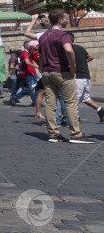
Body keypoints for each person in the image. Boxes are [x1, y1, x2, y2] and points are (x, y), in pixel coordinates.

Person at [37, 9, 93, 144]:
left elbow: (40, 55)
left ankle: (53, 134)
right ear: (60, 20)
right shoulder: (63, 35)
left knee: (50, 103)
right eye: (67, 18)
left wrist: (43, 68)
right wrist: (73, 67)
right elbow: (68, 49)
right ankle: (76, 134)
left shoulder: (44, 36)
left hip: (47, 72)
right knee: (71, 103)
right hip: (62, 72)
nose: (68, 20)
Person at [68, 32, 104, 123]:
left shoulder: (69, 49)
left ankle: (76, 118)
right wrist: (82, 62)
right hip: (86, 77)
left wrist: (76, 65)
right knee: (85, 98)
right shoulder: (80, 47)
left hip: (78, 77)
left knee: (73, 99)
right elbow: (90, 57)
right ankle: (100, 110)